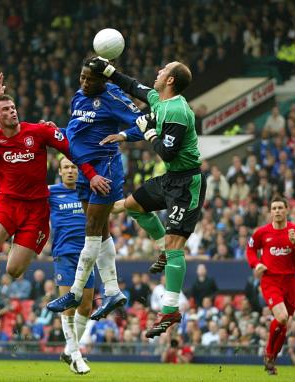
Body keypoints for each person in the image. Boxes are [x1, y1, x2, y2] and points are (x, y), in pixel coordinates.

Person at [0, 73, 110, 329]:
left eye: (13, 108)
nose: (12, 112)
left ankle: (19, 237)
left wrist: (90, 175)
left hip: (36, 212)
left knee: (13, 271)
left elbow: (71, 149)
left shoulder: (38, 132)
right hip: (7, 205)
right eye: (5, 110)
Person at [86, 57, 205, 338]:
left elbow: (167, 152)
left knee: (177, 246)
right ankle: (162, 246)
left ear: (171, 80)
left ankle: (170, 308)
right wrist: (107, 69)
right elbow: (132, 86)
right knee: (133, 206)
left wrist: (148, 132)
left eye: (163, 70)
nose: (158, 70)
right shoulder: (158, 99)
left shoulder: (177, 110)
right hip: (170, 179)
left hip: (187, 183)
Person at [47, 58, 144, 319]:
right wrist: (58, 130)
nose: (85, 83)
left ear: (104, 80)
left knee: (91, 228)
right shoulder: (78, 97)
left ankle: (76, 291)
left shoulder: (114, 97)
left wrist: (124, 136)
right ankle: (112, 290)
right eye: (82, 77)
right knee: (100, 231)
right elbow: (77, 133)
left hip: (105, 169)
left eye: (91, 79)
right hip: (84, 171)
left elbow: (146, 122)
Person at [246, 195, 295, 375]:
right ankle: (268, 351)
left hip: (290, 281)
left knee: (284, 324)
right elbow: (250, 248)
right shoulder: (262, 232)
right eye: (274, 208)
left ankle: (271, 359)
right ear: (270, 211)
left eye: (280, 208)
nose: (277, 211)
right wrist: (256, 263)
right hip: (270, 280)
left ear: (287, 210)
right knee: (282, 317)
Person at [49, 157, 94, 374]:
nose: (70, 171)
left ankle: (68, 351)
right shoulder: (51, 192)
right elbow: (22, 201)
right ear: (59, 172)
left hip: (87, 253)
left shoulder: (87, 190)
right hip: (65, 254)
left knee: (86, 306)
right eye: (66, 167)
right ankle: (76, 357)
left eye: (73, 167)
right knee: (69, 306)